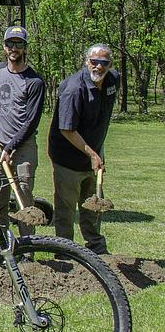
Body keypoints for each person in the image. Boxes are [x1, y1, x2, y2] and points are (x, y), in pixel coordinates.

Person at [48, 43, 120, 255]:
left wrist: (99, 152)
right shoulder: (73, 89)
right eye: (94, 62)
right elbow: (67, 129)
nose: (98, 67)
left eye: (104, 63)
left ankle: (96, 249)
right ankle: (64, 251)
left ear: (110, 65)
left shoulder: (113, 80)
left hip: (94, 155)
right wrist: (92, 153)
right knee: (67, 207)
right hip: (67, 156)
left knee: (93, 204)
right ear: (87, 62)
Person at [0, 25, 46, 238]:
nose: (14, 48)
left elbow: (31, 122)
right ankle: (0, 244)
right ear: (4, 46)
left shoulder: (35, 82)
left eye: (19, 44)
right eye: (10, 44)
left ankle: (27, 248)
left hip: (22, 148)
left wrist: (11, 147)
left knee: (23, 197)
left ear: (25, 48)